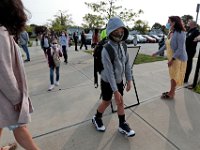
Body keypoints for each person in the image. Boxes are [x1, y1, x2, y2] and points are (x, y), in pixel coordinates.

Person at [0, 0, 39, 149]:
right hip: (6, 94)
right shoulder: (2, 33)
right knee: (20, 126)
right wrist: (16, 98)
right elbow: (3, 70)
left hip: (3, 93)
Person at [92, 16, 135, 137]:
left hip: (119, 80)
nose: (119, 34)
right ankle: (96, 117)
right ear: (111, 32)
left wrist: (129, 79)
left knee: (120, 102)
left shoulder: (123, 46)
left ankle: (122, 124)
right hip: (107, 81)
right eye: (116, 31)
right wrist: (115, 91)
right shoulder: (106, 50)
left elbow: (127, 64)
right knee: (106, 101)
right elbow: (109, 72)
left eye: (121, 31)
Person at [152, 16, 188, 99]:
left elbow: (180, 49)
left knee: (174, 76)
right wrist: (157, 53)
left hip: (177, 58)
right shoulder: (171, 32)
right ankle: (172, 91)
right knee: (172, 75)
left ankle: (171, 93)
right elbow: (166, 45)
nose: (167, 23)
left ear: (174, 22)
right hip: (171, 57)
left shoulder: (181, 33)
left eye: (169, 21)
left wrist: (172, 59)